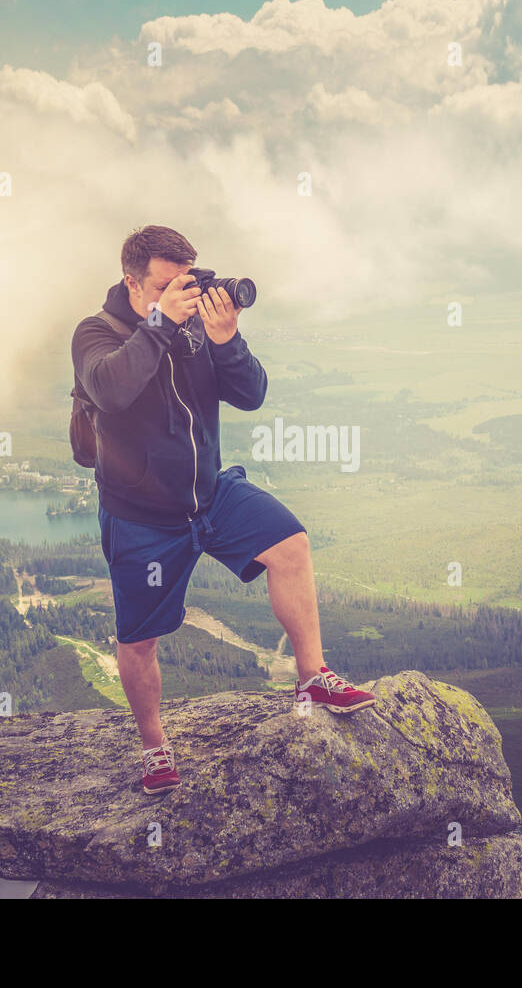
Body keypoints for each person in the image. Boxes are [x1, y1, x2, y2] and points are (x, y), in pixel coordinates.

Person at [71, 225, 376, 795]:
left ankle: (311, 677)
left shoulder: (190, 330)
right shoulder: (96, 333)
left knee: (291, 546)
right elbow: (110, 390)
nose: (181, 294)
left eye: (186, 280)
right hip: (140, 516)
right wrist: (162, 323)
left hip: (209, 494)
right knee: (138, 638)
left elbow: (251, 393)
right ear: (133, 284)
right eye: (166, 286)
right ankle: (155, 747)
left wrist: (226, 338)